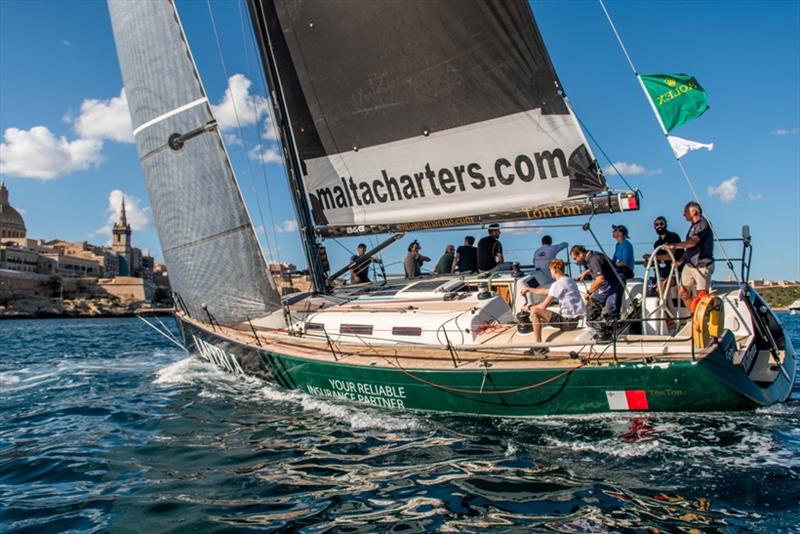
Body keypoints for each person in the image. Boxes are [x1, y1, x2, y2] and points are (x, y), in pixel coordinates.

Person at [520, 259, 585, 344]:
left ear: (555, 269)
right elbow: (547, 292)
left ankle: (537, 346)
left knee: (535, 311)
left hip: (566, 323)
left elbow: (543, 306)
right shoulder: (569, 280)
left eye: (550, 269)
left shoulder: (558, 284)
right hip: (574, 321)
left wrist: (527, 308)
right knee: (536, 309)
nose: (550, 272)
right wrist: (529, 289)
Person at [668, 201, 715, 310]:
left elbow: (692, 242)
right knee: (683, 292)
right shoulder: (692, 227)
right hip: (690, 265)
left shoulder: (703, 224)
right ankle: (694, 316)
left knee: (702, 296)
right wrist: (680, 260)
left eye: (685, 212)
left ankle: (702, 320)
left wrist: (673, 246)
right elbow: (690, 248)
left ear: (693, 212)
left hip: (702, 265)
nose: (683, 215)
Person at [571, 245, 623, 342]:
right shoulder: (592, 256)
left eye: (575, 258)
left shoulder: (593, 258)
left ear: (580, 254)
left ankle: (607, 333)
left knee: (609, 310)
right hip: (608, 284)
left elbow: (600, 279)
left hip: (613, 283)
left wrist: (589, 292)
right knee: (593, 309)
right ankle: (603, 331)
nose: (576, 261)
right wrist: (586, 273)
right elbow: (598, 269)